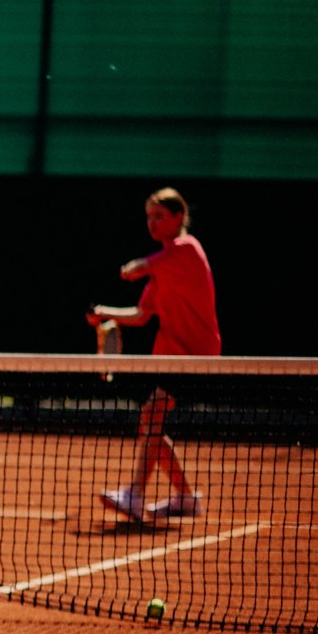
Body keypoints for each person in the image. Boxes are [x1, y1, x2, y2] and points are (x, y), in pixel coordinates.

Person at [86, 187, 221, 523]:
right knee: (150, 422)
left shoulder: (186, 249)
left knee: (152, 415)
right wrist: (105, 313)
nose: (152, 222)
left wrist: (136, 267)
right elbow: (143, 314)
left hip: (195, 354)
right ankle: (186, 498)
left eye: (159, 215)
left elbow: (144, 265)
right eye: (149, 216)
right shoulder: (164, 267)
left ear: (179, 217)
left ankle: (135, 493)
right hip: (171, 354)